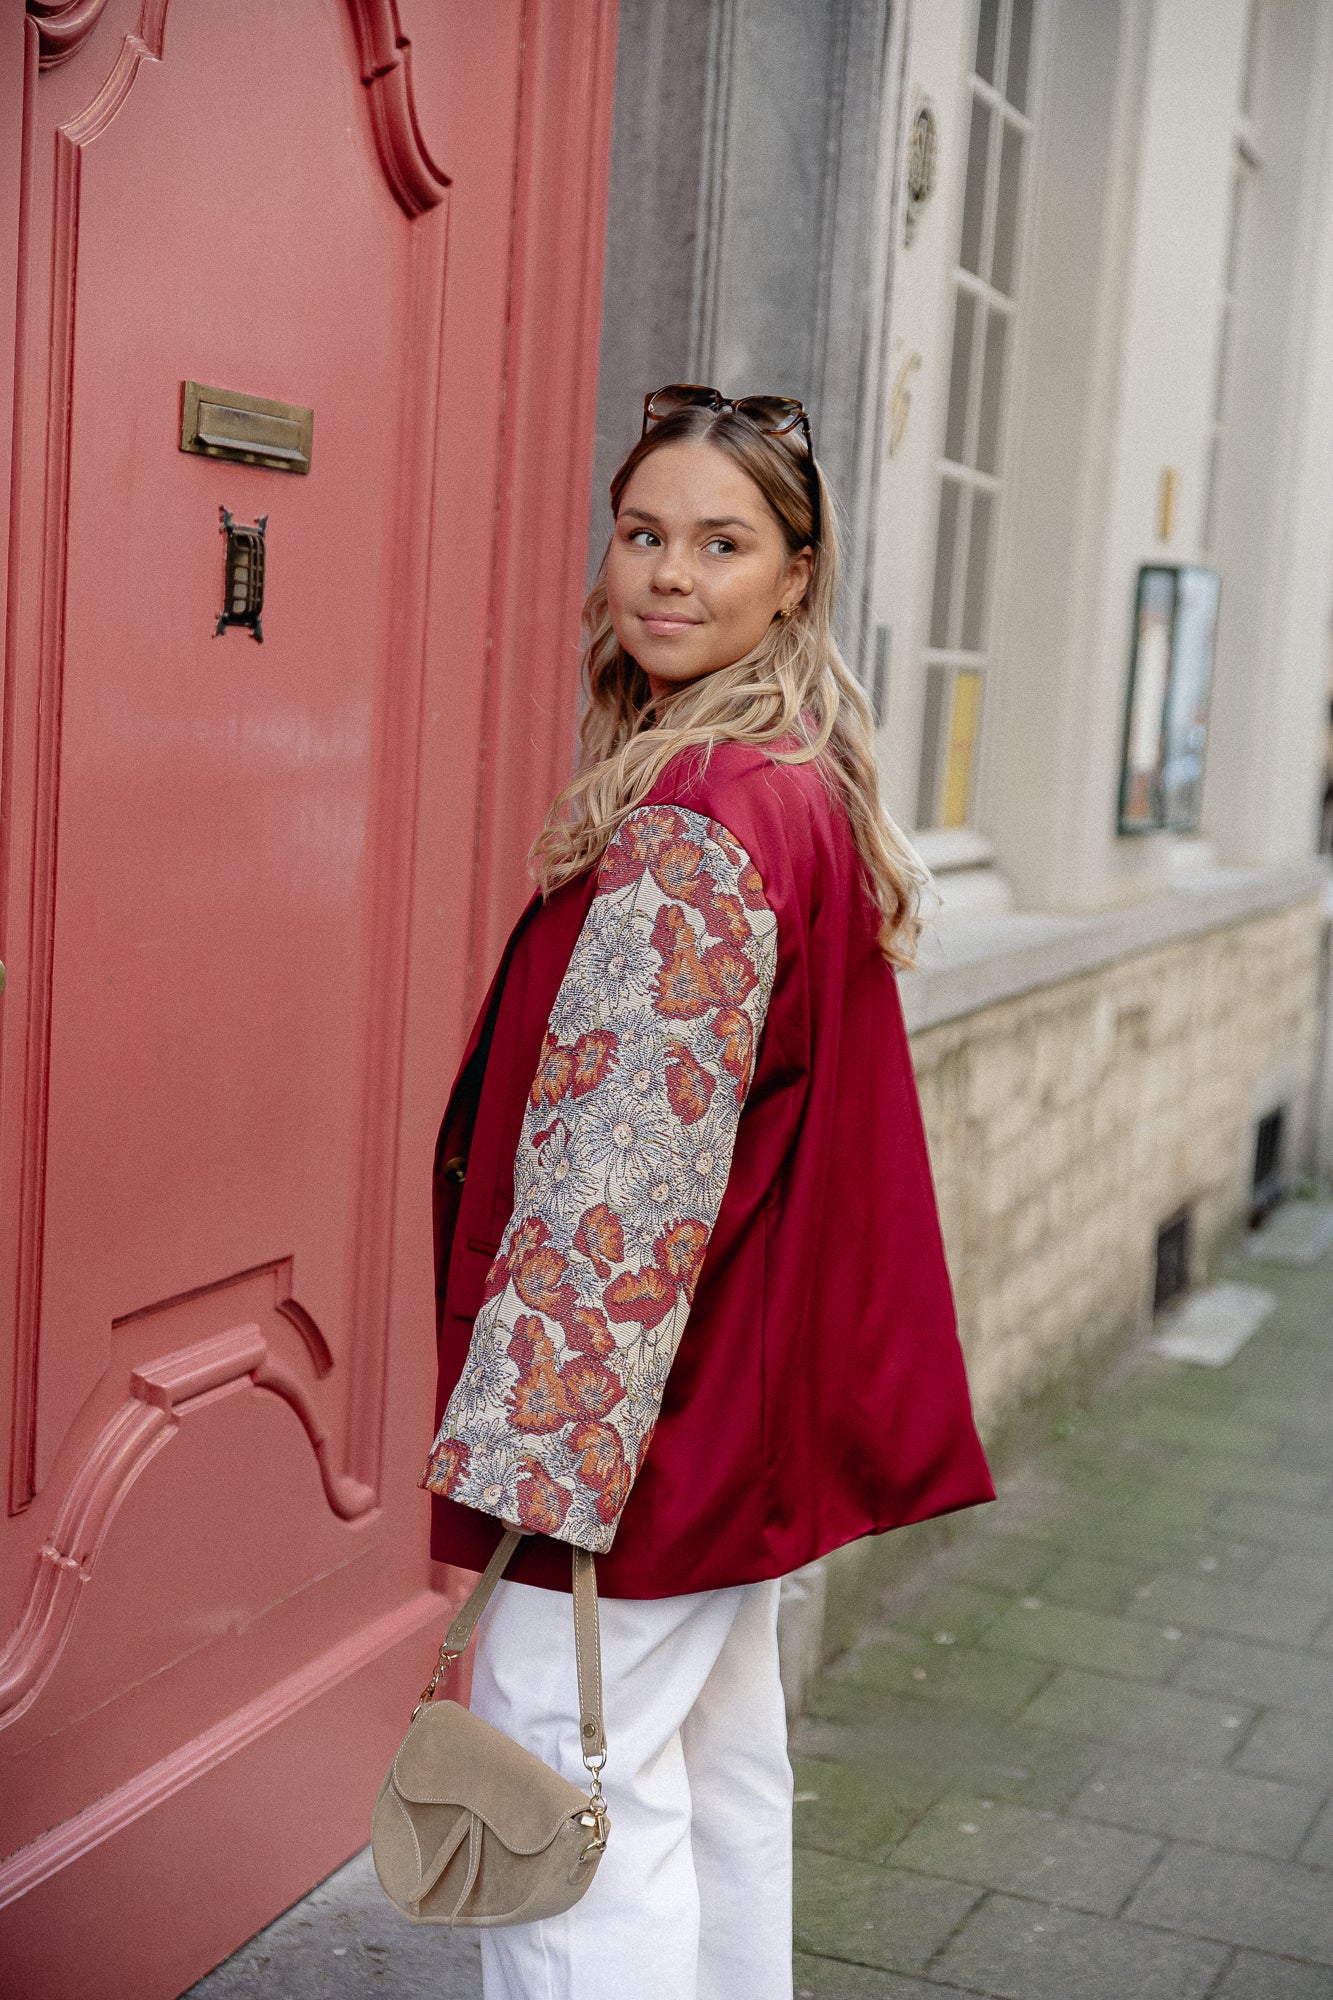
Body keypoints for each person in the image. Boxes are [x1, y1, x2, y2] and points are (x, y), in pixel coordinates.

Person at [420, 383, 995, 1999]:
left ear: (792, 575)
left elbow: (615, 1207)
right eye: (642, 534)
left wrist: (536, 1479)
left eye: (719, 543)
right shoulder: (791, 781)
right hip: (734, 1405)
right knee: (712, 1773)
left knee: (557, 1796)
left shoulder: (698, 824)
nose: (668, 574)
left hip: (634, 1431)